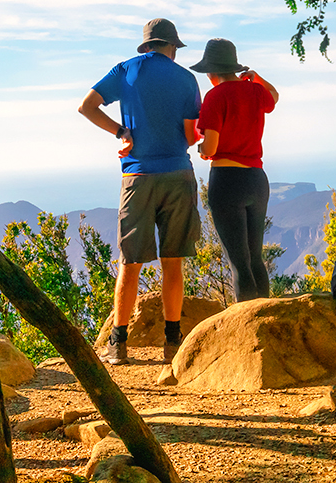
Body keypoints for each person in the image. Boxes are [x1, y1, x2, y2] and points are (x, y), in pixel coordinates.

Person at [77, 18, 203, 365]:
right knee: (172, 261)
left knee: (130, 262)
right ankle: (172, 344)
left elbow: (86, 106)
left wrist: (122, 131)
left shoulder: (125, 71)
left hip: (138, 176)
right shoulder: (187, 79)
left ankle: (118, 345)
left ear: (146, 45)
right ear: (173, 47)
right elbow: (191, 135)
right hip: (178, 173)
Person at [191, 38, 279, 303]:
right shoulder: (254, 91)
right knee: (255, 257)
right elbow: (274, 96)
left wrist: (202, 151)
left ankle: (247, 324)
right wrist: (257, 77)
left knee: (238, 261)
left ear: (212, 72)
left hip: (227, 181)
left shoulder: (215, 96)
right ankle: (265, 315)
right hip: (257, 179)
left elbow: (211, 145)